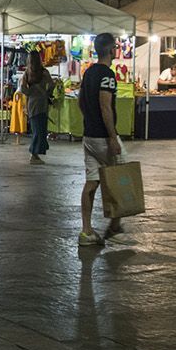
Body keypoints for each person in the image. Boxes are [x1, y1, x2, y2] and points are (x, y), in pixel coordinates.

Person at [78, 33, 123, 246]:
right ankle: (115, 224)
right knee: (120, 177)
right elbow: (105, 105)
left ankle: (86, 231)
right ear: (112, 50)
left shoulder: (89, 73)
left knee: (92, 182)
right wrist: (112, 137)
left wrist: (89, 119)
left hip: (89, 134)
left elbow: (80, 101)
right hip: (103, 136)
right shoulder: (107, 75)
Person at [20, 52, 54, 165]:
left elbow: (23, 89)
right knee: (41, 129)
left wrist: (31, 92)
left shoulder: (27, 73)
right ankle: (34, 154)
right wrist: (46, 93)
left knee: (36, 129)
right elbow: (52, 84)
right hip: (42, 103)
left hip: (32, 103)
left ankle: (35, 153)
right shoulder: (44, 72)